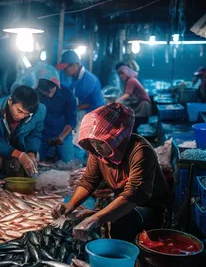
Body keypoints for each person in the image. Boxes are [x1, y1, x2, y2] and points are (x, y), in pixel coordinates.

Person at [52, 103, 170, 243]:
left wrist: (95, 218)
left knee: (119, 221)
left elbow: (134, 194)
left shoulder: (140, 151)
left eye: (100, 143)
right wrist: (70, 206)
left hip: (149, 207)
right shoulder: (98, 152)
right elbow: (89, 181)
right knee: (77, 215)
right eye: (92, 142)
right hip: (123, 198)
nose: (96, 148)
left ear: (117, 137)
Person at [0, 85, 46, 177]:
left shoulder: (40, 111)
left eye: (27, 114)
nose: (21, 116)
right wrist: (20, 155)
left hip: (20, 146)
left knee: (21, 174)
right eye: (19, 111)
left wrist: (31, 153)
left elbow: (35, 134)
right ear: (10, 101)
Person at [36, 68, 77, 163]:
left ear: (56, 86)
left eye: (51, 91)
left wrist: (62, 136)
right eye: (46, 92)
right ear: (39, 88)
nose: (49, 95)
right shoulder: (35, 94)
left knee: (68, 163)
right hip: (40, 135)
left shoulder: (68, 94)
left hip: (63, 133)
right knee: (36, 163)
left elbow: (72, 119)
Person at [116, 65, 152, 130]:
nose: (121, 76)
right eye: (119, 74)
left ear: (127, 73)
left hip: (143, 105)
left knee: (137, 125)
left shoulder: (131, 80)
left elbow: (127, 95)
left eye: (122, 73)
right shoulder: (129, 81)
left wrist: (116, 101)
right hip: (140, 104)